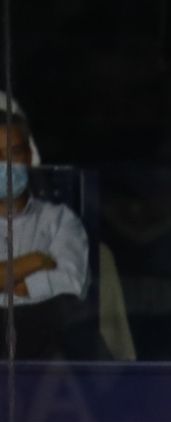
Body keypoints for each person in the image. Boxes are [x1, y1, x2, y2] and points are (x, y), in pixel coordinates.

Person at [0, 111, 96, 360]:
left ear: (29, 157)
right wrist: (34, 261)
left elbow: (71, 282)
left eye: (14, 153)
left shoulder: (61, 220)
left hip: (47, 357)